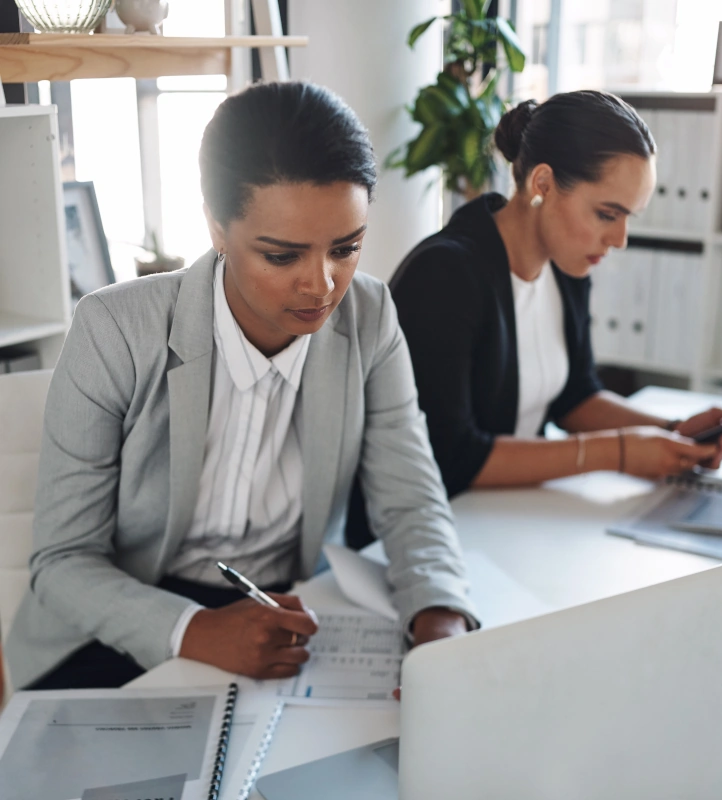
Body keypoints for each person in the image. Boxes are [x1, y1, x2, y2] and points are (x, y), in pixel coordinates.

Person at [6, 81, 476, 691]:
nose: (322, 285)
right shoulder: (115, 329)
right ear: (217, 229)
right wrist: (196, 629)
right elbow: (63, 562)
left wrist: (440, 623)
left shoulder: (371, 316)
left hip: (282, 613)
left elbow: (411, 500)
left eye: (346, 248)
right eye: (282, 256)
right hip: (119, 614)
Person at [388, 90, 722, 498]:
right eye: (607, 214)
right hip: (436, 524)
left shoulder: (566, 266)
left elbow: (575, 397)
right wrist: (619, 452)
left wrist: (673, 433)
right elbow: (449, 455)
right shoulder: (445, 275)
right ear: (543, 184)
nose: (620, 239)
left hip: (514, 513)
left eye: (628, 217)